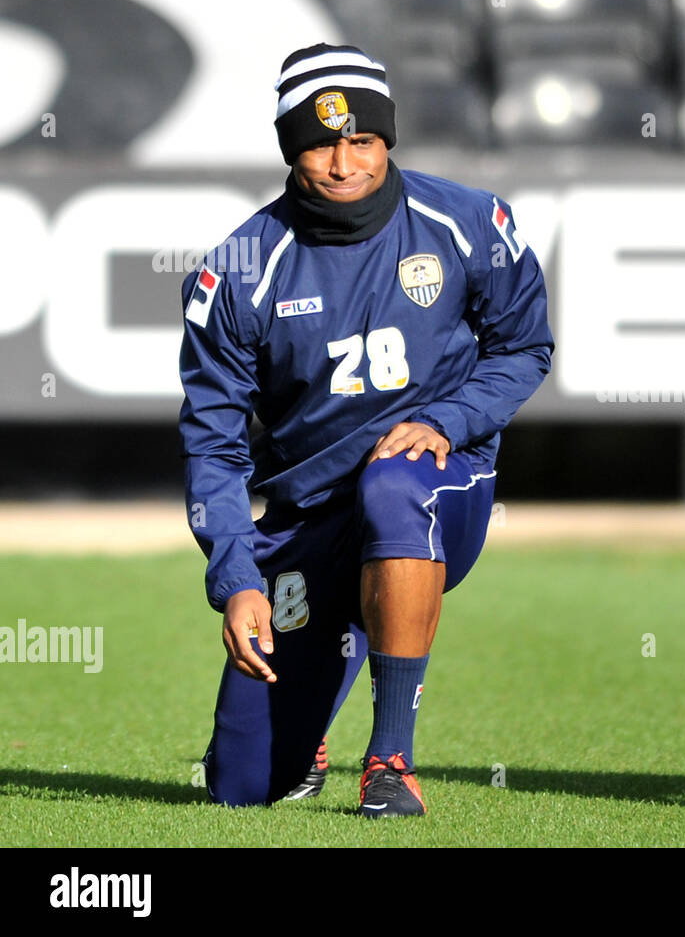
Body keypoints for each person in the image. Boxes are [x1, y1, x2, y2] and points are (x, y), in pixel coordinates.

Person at [179, 43, 552, 817]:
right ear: (291, 149)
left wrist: (447, 421)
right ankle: (307, 719)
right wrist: (236, 579)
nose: (344, 162)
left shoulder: (470, 221)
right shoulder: (239, 270)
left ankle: (389, 761)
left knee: (393, 486)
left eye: (362, 140)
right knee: (243, 789)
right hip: (308, 515)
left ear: (388, 139)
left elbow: (525, 347)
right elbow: (213, 443)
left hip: (436, 487)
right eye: (320, 143)